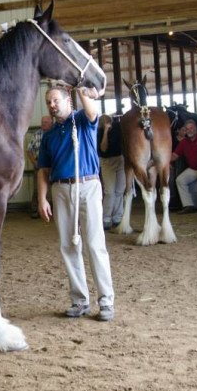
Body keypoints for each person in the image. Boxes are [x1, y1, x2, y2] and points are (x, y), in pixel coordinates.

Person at [38, 86, 115, 322]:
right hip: (60, 188)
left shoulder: (81, 120)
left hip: (88, 185)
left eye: (55, 100)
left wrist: (81, 89)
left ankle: (105, 302)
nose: (52, 105)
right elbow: (43, 169)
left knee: (94, 243)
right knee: (68, 245)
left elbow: (94, 113)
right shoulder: (49, 135)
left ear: (67, 100)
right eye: (48, 102)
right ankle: (79, 300)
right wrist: (42, 198)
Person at [170, 119, 197, 214]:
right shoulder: (184, 142)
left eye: (191, 128)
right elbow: (174, 156)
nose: (189, 130)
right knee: (180, 180)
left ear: (196, 128)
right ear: (185, 131)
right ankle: (188, 205)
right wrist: (162, 160)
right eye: (187, 129)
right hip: (193, 169)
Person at [97, 113, 125, 230]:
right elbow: (103, 148)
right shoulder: (98, 132)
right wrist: (105, 132)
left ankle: (117, 217)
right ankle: (106, 218)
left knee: (120, 190)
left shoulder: (117, 128)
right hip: (106, 161)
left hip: (119, 159)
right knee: (109, 191)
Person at [26, 115, 53, 218]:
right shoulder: (37, 134)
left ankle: (51, 210)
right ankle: (35, 210)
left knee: (53, 189)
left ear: (51, 123)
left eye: (45, 122)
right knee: (37, 189)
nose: (43, 124)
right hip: (40, 166)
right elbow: (29, 150)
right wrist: (35, 162)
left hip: (53, 166)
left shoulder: (55, 133)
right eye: (42, 122)